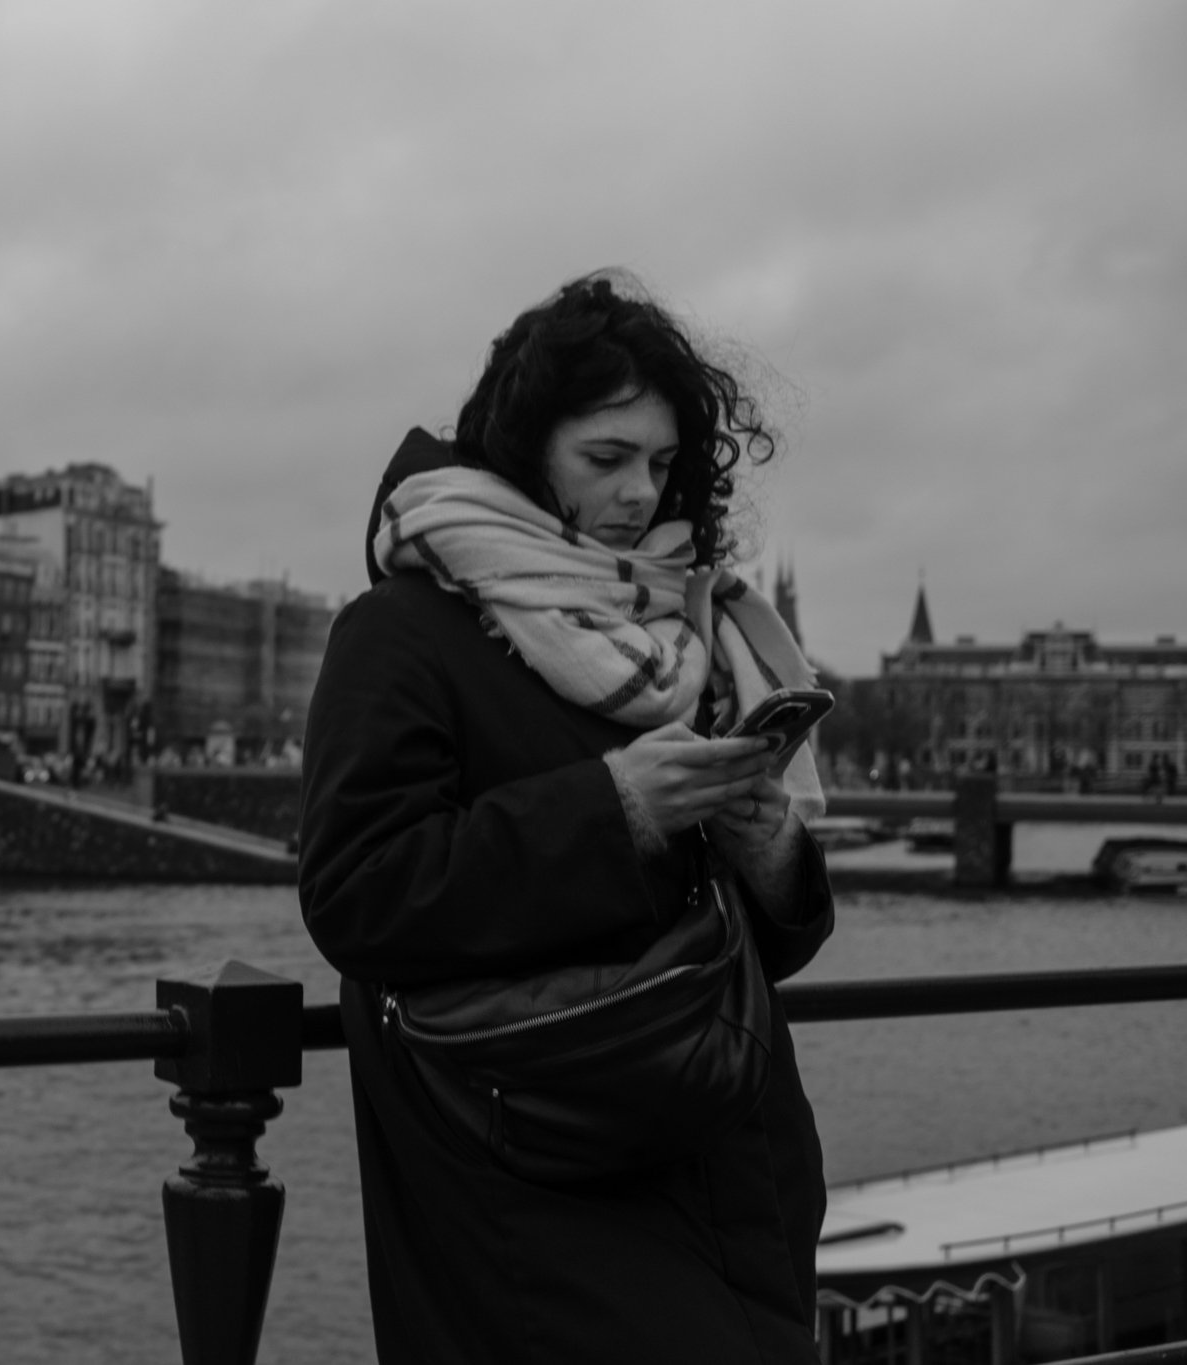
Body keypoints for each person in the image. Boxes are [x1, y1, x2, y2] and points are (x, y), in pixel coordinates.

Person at [299, 270, 835, 1363]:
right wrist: (617, 807)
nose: (640, 494)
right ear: (523, 448)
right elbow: (358, 893)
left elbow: (764, 942)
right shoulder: (397, 633)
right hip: (537, 1178)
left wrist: (767, 844)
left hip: (729, 1159)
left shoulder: (690, 629)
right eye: (605, 459)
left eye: (660, 462)